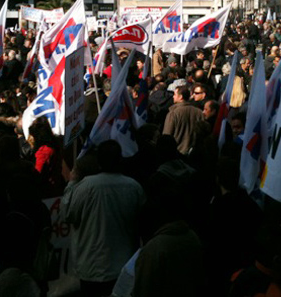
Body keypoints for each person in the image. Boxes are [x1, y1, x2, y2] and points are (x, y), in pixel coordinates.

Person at [62, 140, 145, 297]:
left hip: (91, 267)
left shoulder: (85, 186)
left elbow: (68, 213)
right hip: (123, 267)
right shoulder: (133, 187)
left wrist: (72, 181)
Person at [163, 86, 204, 155]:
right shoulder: (199, 112)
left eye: (175, 94)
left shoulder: (173, 114)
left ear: (180, 97)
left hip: (177, 153)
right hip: (194, 154)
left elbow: (166, 136)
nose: (173, 97)